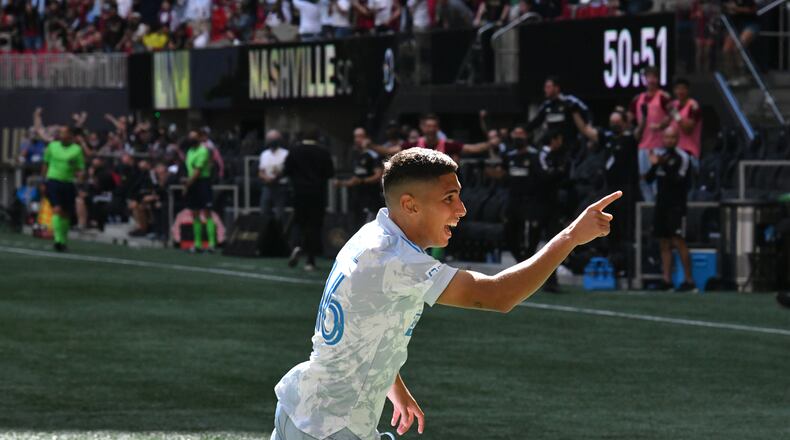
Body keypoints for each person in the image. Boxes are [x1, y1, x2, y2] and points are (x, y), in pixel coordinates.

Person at [273, 148, 620, 440]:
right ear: (410, 205)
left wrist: (392, 384)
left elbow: (363, 326)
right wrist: (571, 236)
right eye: (449, 198)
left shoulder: (373, 234)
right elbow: (499, 295)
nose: (462, 209)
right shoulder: (395, 258)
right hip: (331, 427)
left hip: (303, 407)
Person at [645, 126, 696, 292]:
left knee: (678, 240)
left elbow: (678, 180)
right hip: (661, 204)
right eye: (666, 137)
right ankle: (666, 280)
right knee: (664, 242)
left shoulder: (683, 157)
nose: (669, 140)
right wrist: (655, 165)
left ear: (677, 139)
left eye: (672, 137)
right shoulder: (661, 155)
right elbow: (649, 178)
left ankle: (689, 280)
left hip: (676, 206)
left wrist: (663, 164)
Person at [284, 129, 335, 271]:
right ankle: (310, 260)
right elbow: (330, 173)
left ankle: (297, 245)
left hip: (299, 193)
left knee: (299, 222)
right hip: (318, 193)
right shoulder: (323, 152)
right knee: (314, 225)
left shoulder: (294, 151)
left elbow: (286, 170)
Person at [629, 66, 673, 202]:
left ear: (658, 79)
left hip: (659, 146)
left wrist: (661, 125)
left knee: (658, 179)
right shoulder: (637, 99)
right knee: (643, 179)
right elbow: (630, 120)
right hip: (643, 147)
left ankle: (659, 205)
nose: (651, 80)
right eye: (649, 77)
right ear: (645, 79)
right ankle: (648, 206)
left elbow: (673, 114)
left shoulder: (664, 97)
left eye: (654, 77)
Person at [372, 114, 495, 159]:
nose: (431, 129)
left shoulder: (447, 145)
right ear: (422, 127)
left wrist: (490, 144)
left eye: (434, 126)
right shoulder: (414, 145)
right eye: (428, 126)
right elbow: (389, 151)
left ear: (438, 128)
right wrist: (370, 146)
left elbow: (471, 149)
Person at [42, 126, 85, 252]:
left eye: (64, 133)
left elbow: (80, 168)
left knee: (66, 213)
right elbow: (45, 163)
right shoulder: (52, 146)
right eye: (60, 133)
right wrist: (43, 181)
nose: (61, 135)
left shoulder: (77, 149)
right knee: (57, 209)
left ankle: (64, 240)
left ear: (70, 135)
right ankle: (58, 240)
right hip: (53, 181)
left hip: (68, 183)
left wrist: (80, 178)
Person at [525, 76, 590, 157]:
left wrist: (587, 133)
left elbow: (586, 113)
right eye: (545, 87)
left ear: (556, 88)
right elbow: (536, 121)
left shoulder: (570, 101)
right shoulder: (546, 106)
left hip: (570, 145)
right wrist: (524, 130)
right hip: (553, 145)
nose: (545, 90)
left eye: (548, 87)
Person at [336, 127, 384, 229]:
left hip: (370, 198)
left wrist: (362, 181)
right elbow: (355, 179)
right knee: (356, 227)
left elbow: (378, 175)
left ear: (367, 138)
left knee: (368, 228)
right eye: (355, 137)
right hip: (358, 198)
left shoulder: (372, 155)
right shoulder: (357, 156)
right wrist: (342, 183)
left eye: (360, 136)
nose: (357, 139)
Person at [184, 130, 217, 253]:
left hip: (202, 183)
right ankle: (197, 244)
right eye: (190, 137)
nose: (191, 139)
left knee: (207, 212)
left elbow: (197, 171)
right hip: (192, 184)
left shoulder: (203, 151)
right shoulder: (189, 151)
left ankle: (212, 244)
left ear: (199, 138)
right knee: (195, 213)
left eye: (194, 137)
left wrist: (187, 185)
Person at [669, 78, 702, 166]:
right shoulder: (673, 104)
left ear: (688, 90)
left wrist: (676, 115)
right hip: (676, 152)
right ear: (674, 91)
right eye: (678, 88)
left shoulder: (693, 107)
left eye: (683, 88)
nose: (680, 91)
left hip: (689, 152)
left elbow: (688, 130)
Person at [259, 129, 290, 221]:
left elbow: (286, 170)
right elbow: (261, 171)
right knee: (264, 211)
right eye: (269, 139)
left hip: (280, 187)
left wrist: (276, 177)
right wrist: (265, 178)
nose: (271, 141)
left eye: (273, 139)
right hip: (267, 186)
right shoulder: (264, 154)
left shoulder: (285, 153)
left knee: (280, 214)